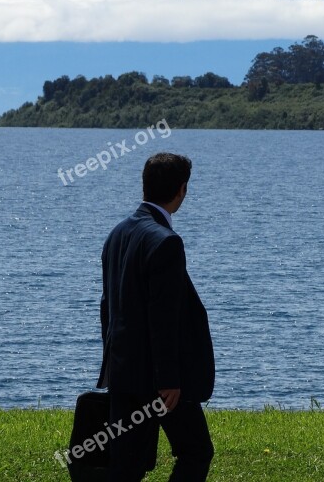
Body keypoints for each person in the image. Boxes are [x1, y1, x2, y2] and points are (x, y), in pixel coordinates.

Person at [97, 153, 215, 481]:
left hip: (123, 373)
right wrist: (169, 379)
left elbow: (108, 305)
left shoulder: (118, 234)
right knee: (196, 451)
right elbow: (163, 317)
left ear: (145, 185)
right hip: (157, 382)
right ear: (182, 190)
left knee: (127, 465)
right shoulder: (167, 242)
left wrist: (111, 366)